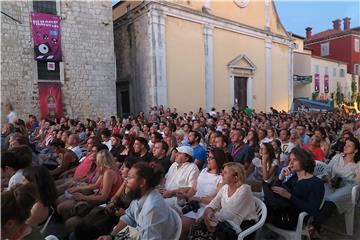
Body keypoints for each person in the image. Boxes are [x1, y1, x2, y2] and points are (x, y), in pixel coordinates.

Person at [97, 162, 179, 240]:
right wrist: (111, 236)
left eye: (130, 177)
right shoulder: (139, 195)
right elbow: (129, 217)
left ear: (142, 182)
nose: (126, 180)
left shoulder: (152, 208)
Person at [73, 157, 141, 240]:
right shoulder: (125, 181)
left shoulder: (139, 192)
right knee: (82, 226)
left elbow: (134, 218)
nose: (121, 168)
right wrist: (113, 202)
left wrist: (123, 213)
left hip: (119, 219)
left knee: (88, 229)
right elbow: (115, 196)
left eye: (125, 167)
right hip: (111, 210)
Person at [57, 149, 122, 231]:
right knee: (66, 205)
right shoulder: (106, 170)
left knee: (67, 211)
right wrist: (78, 188)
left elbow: (104, 197)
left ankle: (69, 228)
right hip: (96, 197)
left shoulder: (109, 173)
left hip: (103, 204)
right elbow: (96, 185)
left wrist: (83, 197)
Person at [189, 162, 258, 240]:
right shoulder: (225, 188)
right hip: (225, 222)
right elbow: (214, 203)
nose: (221, 174)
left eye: (225, 172)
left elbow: (230, 214)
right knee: (198, 228)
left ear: (236, 177)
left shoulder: (244, 189)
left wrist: (210, 216)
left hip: (243, 225)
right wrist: (208, 211)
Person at [264, 147, 324, 230]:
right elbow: (275, 190)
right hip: (281, 210)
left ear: (304, 161)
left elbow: (312, 209)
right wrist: (281, 177)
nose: (290, 162)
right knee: (257, 208)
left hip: (292, 218)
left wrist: (289, 196)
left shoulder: (316, 183)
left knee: (258, 213)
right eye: (290, 159)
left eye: (294, 159)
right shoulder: (295, 177)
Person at [311, 136, 360, 234]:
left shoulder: (358, 163)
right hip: (332, 182)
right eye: (345, 145)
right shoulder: (337, 157)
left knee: (331, 199)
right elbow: (327, 170)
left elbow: (357, 182)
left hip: (348, 187)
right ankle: (308, 217)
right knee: (317, 188)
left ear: (355, 150)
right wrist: (327, 178)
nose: (345, 147)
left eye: (349, 146)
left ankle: (314, 226)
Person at [180, 148, 227, 239]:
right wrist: (185, 196)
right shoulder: (204, 170)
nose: (207, 160)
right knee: (172, 221)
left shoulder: (221, 177)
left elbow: (217, 200)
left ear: (218, 159)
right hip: (193, 205)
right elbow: (194, 189)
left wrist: (197, 199)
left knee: (181, 226)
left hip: (207, 209)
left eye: (211, 158)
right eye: (207, 157)